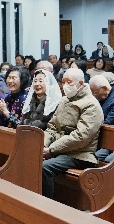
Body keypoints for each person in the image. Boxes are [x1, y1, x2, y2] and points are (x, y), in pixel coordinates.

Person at [40, 69, 103, 198]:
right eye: (63, 82)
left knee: (43, 167)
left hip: (80, 155)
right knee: (30, 160)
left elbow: (81, 136)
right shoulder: (64, 100)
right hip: (61, 151)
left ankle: (46, 206)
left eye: (69, 82)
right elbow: (52, 127)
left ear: (80, 83)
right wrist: (43, 146)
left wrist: (51, 149)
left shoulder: (91, 104)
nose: (65, 86)